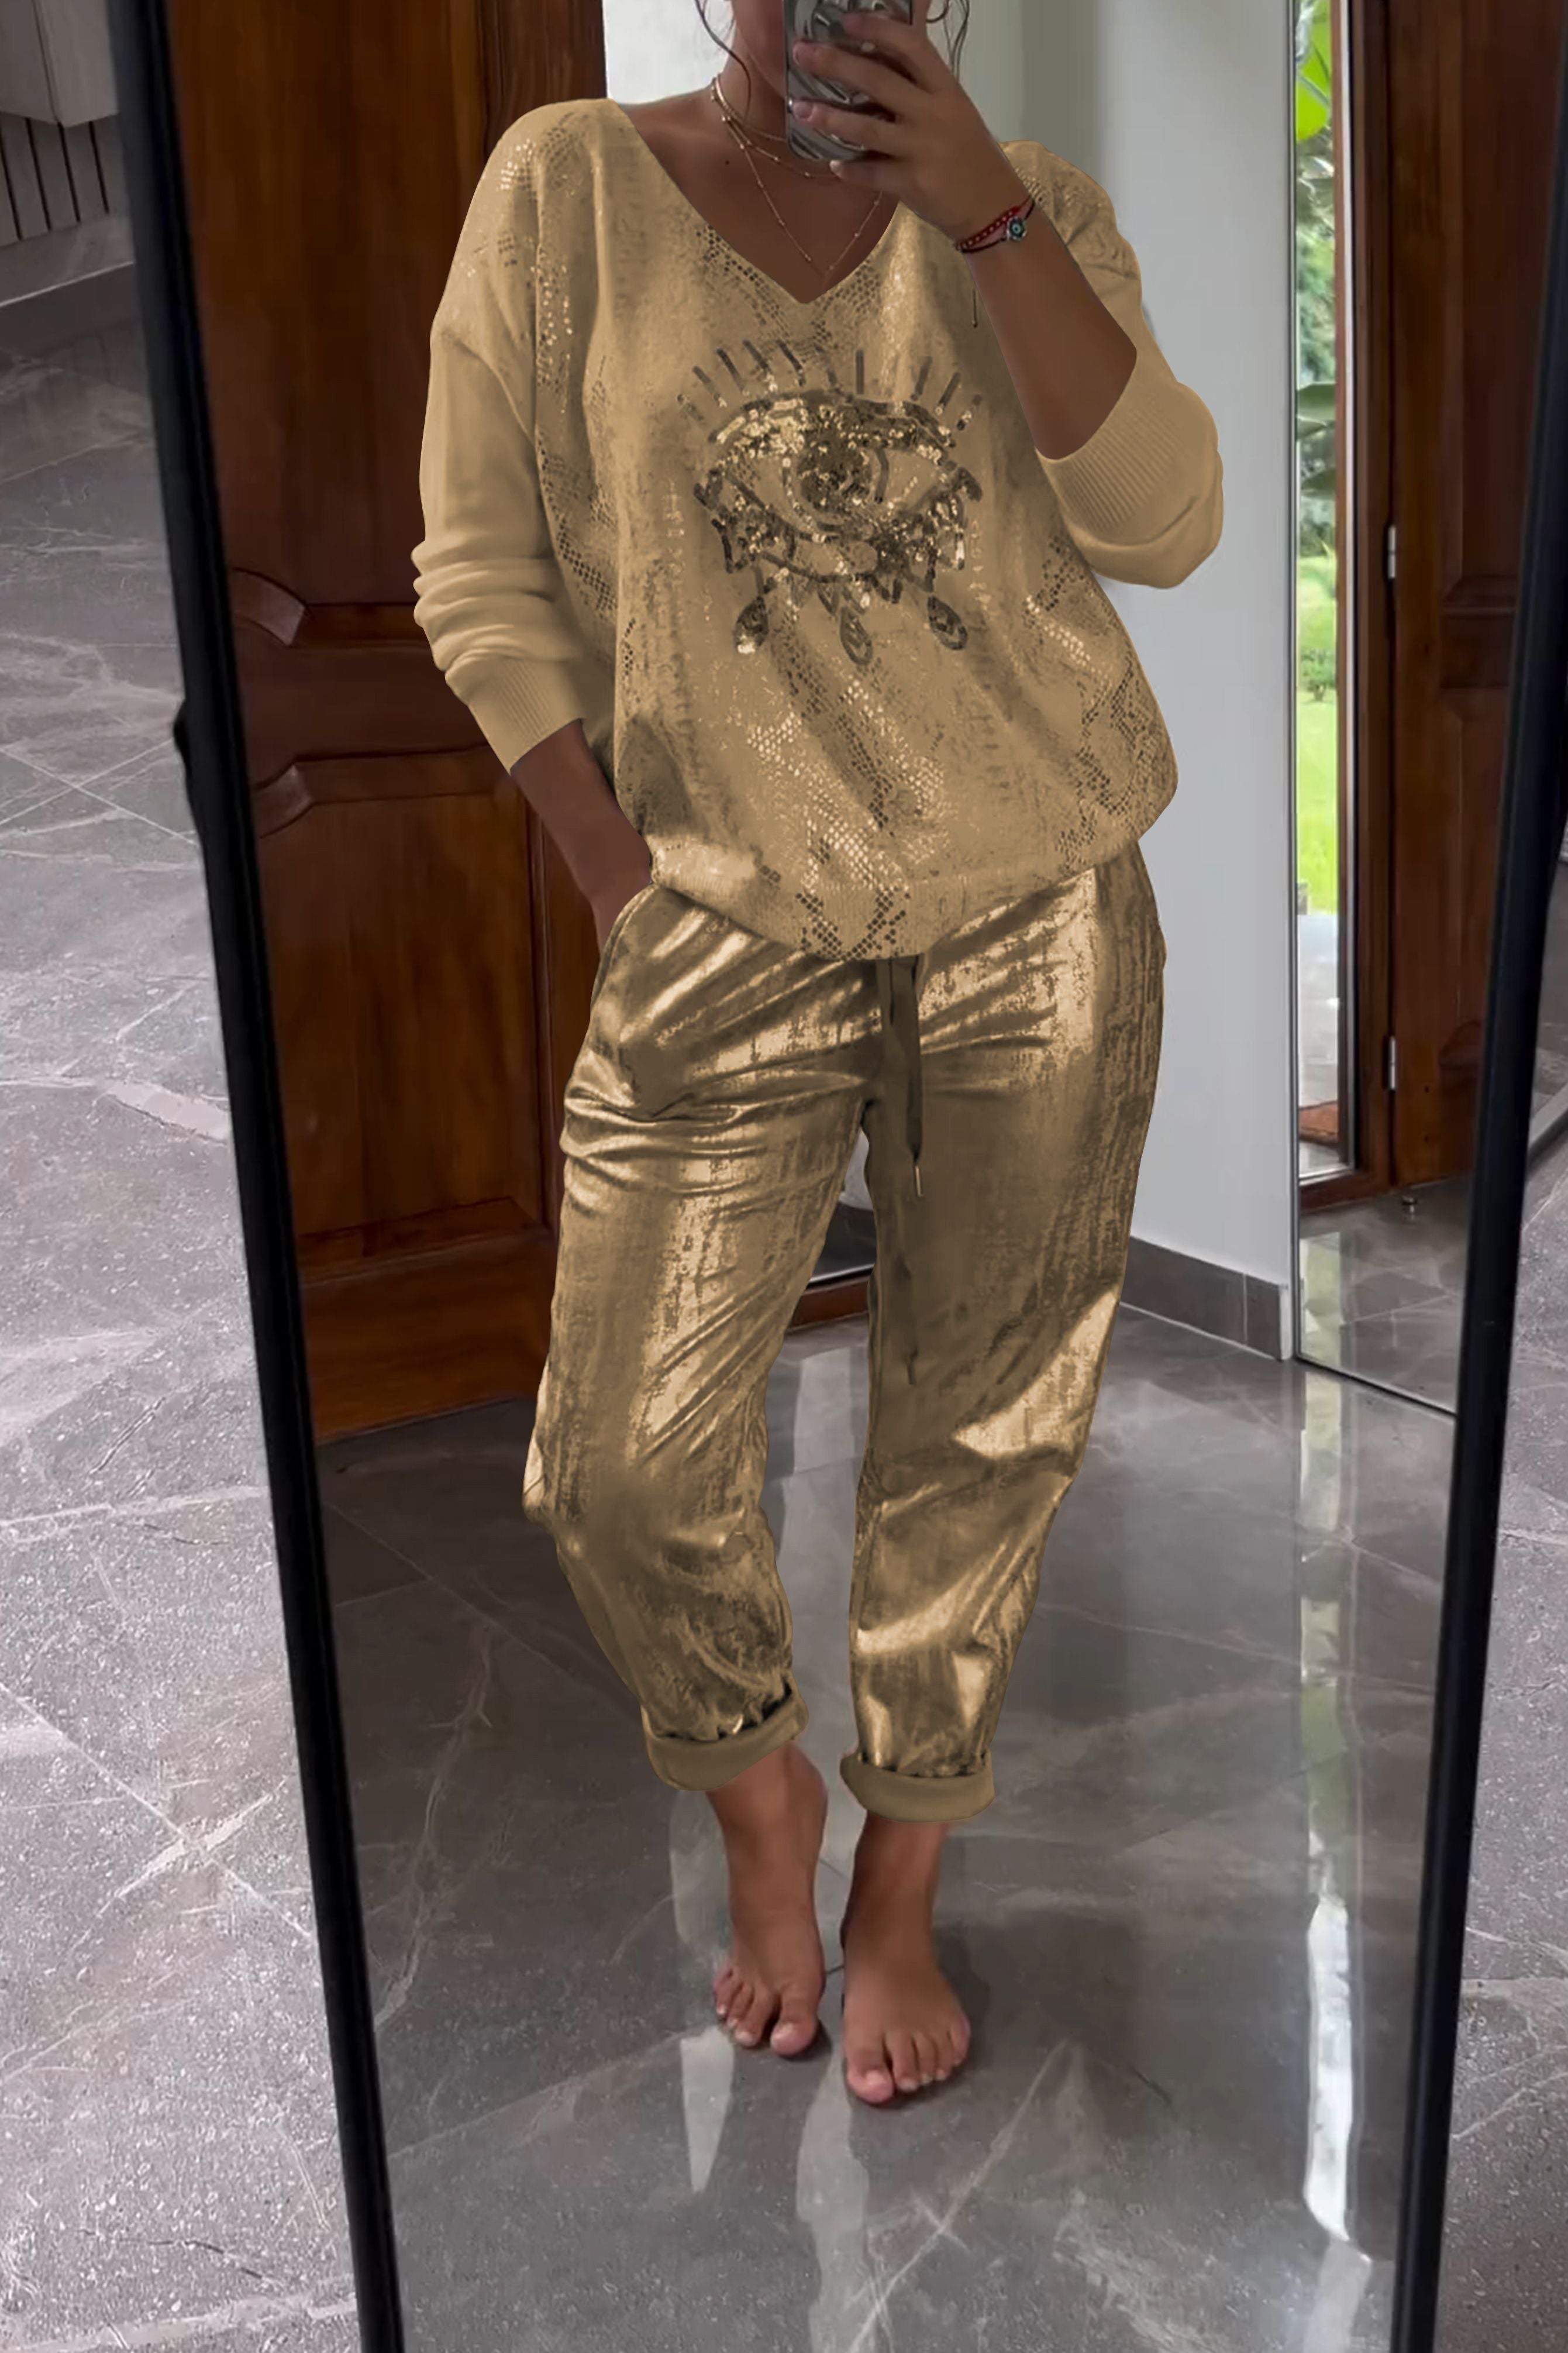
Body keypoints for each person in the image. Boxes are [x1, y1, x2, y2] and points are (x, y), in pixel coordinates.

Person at [411, 0, 1222, 2108]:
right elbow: (478, 571)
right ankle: (760, 1797)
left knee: (984, 1434)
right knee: (615, 1465)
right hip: (717, 917)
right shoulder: (568, 190)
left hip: (1038, 905)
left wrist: (981, 214)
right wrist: (618, 877)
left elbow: (1165, 525)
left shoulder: (1038, 214)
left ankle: (899, 1887)